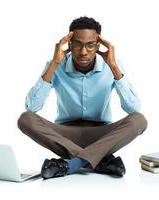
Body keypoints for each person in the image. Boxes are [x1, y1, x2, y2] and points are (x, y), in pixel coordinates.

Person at [17, 16, 147, 179]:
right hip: (64, 135)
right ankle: (99, 161)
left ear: (98, 45)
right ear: (69, 44)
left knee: (139, 120)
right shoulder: (56, 64)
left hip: (102, 135)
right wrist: (54, 64)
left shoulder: (114, 64)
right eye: (78, 44)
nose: (83, 51)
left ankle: (71, 164)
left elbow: (133, 109)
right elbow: (32, 107)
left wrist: (113, 67)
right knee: (25, 119)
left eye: (90, 45)